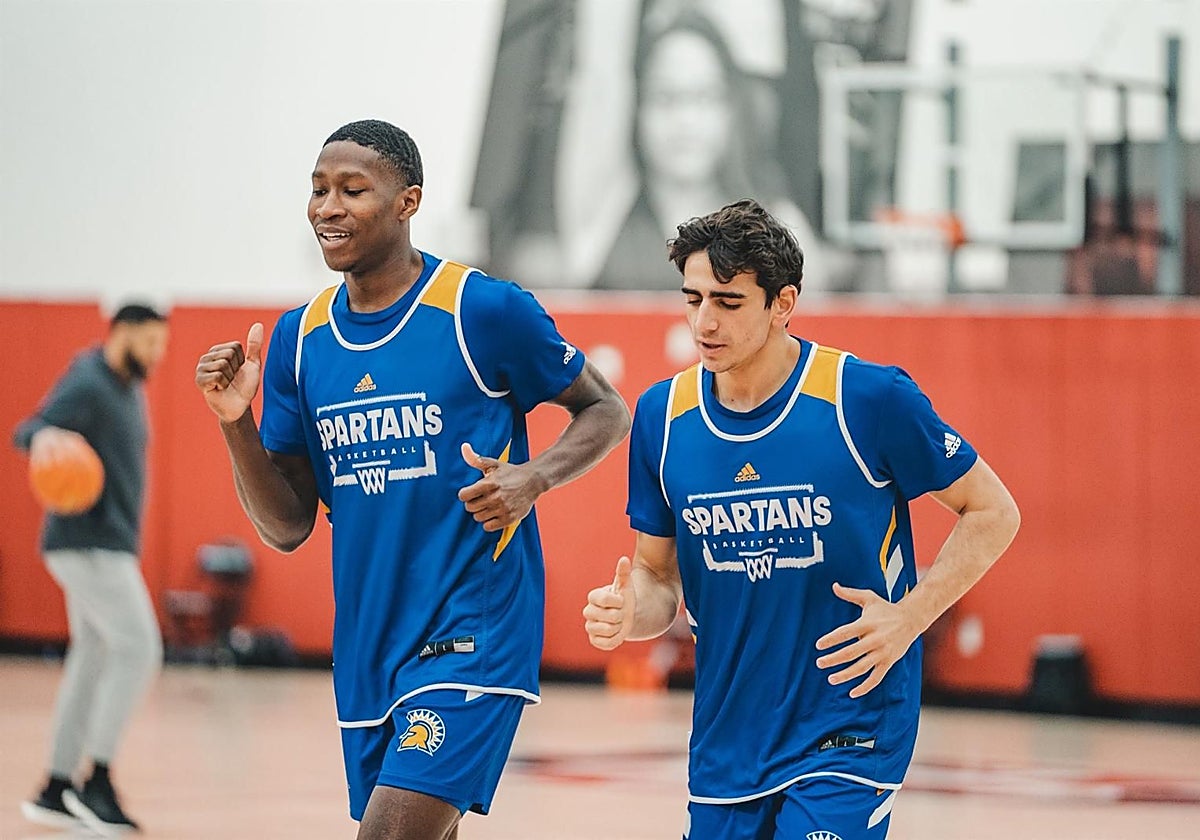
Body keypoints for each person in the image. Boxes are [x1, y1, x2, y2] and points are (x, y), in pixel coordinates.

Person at [194, 119, 630, 840]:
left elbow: (605, 409)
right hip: (370, 645)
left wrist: (532, 478)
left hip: (474, 632)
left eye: (353, 190)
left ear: (408, 201)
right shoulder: (299, 340)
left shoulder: (479, 309)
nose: (327, 208)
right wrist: (234, 422)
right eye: (318, 190)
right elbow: (287, 524)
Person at [583, 199, 1019, 839]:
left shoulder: (867, 399)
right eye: (693, 298)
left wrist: (911, 617)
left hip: (850, 725)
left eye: (728, 303)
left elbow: (992, 511)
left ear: (782, 303)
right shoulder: (661, 417)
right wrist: (629, 614)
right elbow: (657, 578)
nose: (704, 321)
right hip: (730, 734)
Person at [15, 303, 170, 834]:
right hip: (87, 544)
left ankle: (56, 787)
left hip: (104, 546)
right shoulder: (88, 378)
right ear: (122, 333)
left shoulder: (127, 388)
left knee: (93, 656)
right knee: (140, 646)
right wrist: (46, 440)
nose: (156, 353)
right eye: (149, 342)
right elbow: (29, 428)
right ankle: (95, 780)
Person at [592, 10, 844, 291]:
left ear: (731, 107)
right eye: (665, 96)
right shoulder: (600, 226)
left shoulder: (779, 228)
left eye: (705, 96)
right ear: (636, 107)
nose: (686, 120)